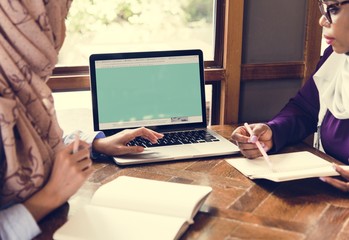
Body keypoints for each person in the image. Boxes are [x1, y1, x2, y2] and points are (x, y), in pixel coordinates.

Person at [0, 1, 163, 239]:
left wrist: (96, 143)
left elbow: (40, 146)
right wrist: (53, 194)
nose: (63, 33)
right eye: (60, 18)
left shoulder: (20, 85)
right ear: (24, 25)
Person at [231, 0, 349, 192]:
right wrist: (273, 132)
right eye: (324, 9)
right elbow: (305, 109)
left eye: (333, 9)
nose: (322, 21)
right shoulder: (335, 58)